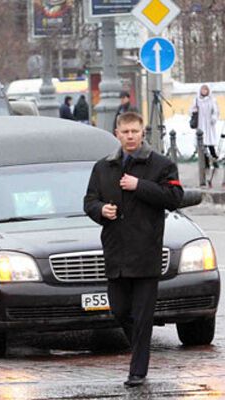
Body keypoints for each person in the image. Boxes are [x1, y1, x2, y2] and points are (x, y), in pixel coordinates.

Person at [83, 112, 183, 387]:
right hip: (116, 254)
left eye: (134, 132)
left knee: (142, 316)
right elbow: (89, 200)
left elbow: (175, 197)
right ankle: (141, 345)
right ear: (116, 134)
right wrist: (101, 210)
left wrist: (140, 186)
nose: (129, 136)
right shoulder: (104, 167)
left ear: (142, 133)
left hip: (145, 254)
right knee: (119, 310)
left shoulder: (161, 165)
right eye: (125, 132)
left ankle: (137, 371)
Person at [190, 84, 220, 168]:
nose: (204, 91)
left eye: (206, 90)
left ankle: (215, 161)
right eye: (203, 89)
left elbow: (216, 111)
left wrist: (213, 118)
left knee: (211, 145)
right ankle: (206, 163)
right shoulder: (196, 100)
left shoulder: (212, 100)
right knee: (203, 145)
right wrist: (194, 110)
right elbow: (191, 110)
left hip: (209, 125)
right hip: (200, 125)